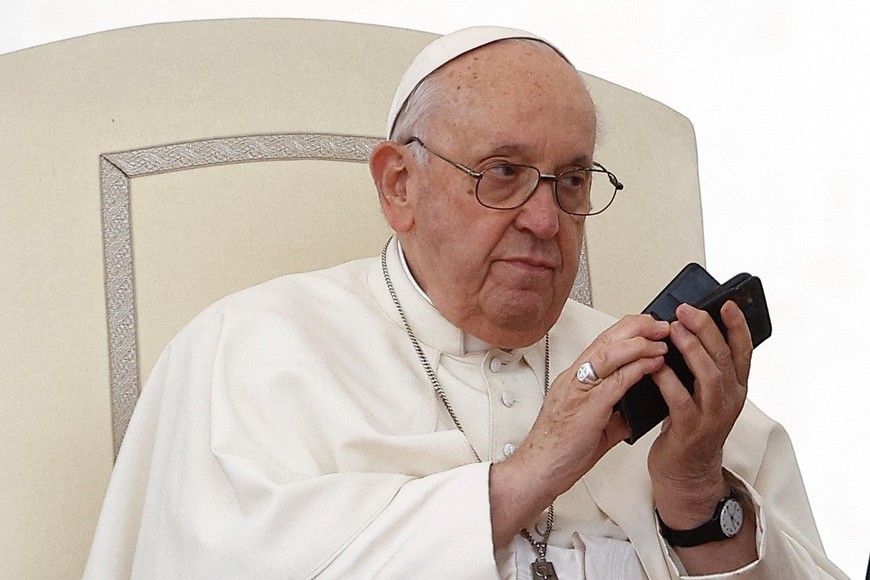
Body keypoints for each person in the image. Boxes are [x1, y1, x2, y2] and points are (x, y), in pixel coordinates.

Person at [84, 26, 847, 579]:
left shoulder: (670, 379)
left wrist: (696, 495)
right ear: (398, 186)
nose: (545, 221)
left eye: (572, 179)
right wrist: (526, 475)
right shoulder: (245, 353)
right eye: (502, 172)